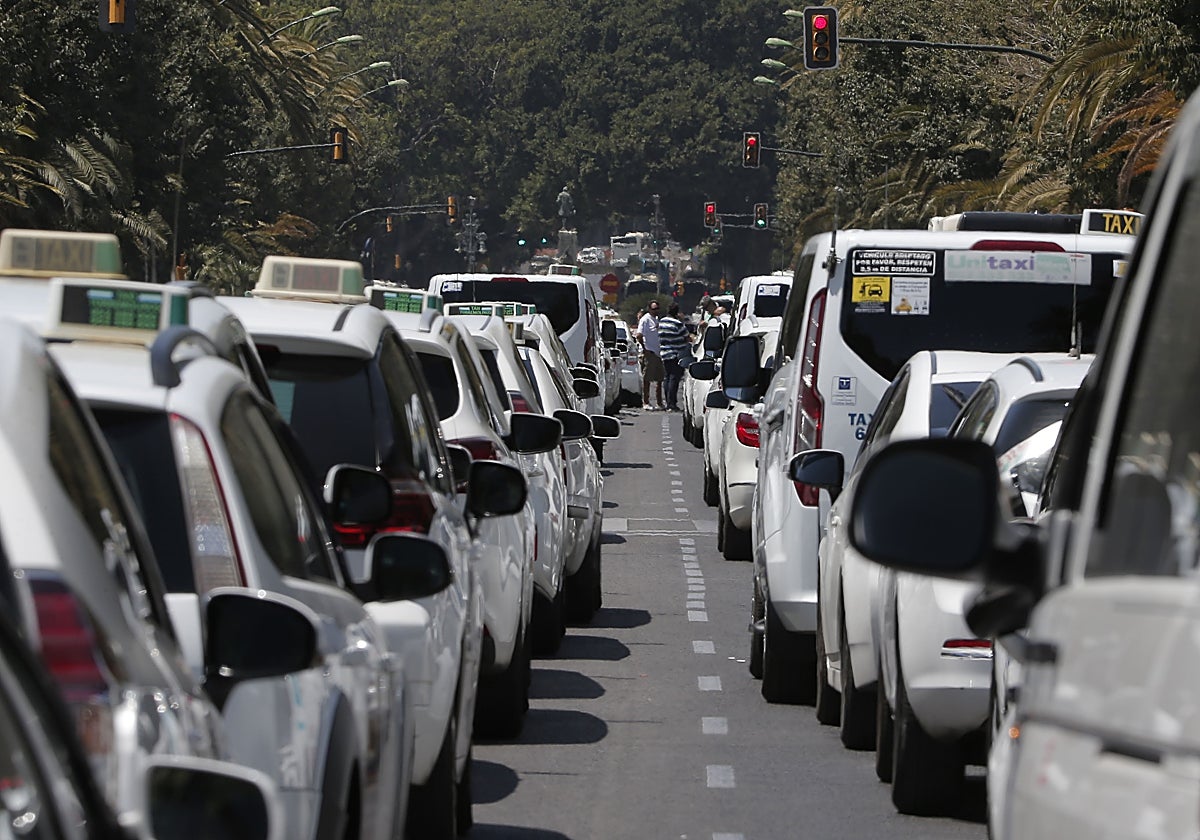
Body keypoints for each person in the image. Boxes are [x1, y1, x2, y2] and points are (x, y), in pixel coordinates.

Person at [658, 302, 691, 411]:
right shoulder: (678, 324)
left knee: (667, 378)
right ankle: (672, 403)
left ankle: (668, 402)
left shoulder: (662, 322)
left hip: (664, 353)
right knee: (674, 378)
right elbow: (687, 337)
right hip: (676, 354)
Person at [635, 300, 665, 410]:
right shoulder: (645, 320)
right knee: (647, 378)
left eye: (657, 308)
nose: (656, 310)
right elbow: (639, 335)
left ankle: (659, 402)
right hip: (649, 352)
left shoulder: (657, 319)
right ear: (649, 309)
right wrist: (644, 349)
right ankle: (646, 402)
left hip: (658, 353)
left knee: (660, 378)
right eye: (654, 308)